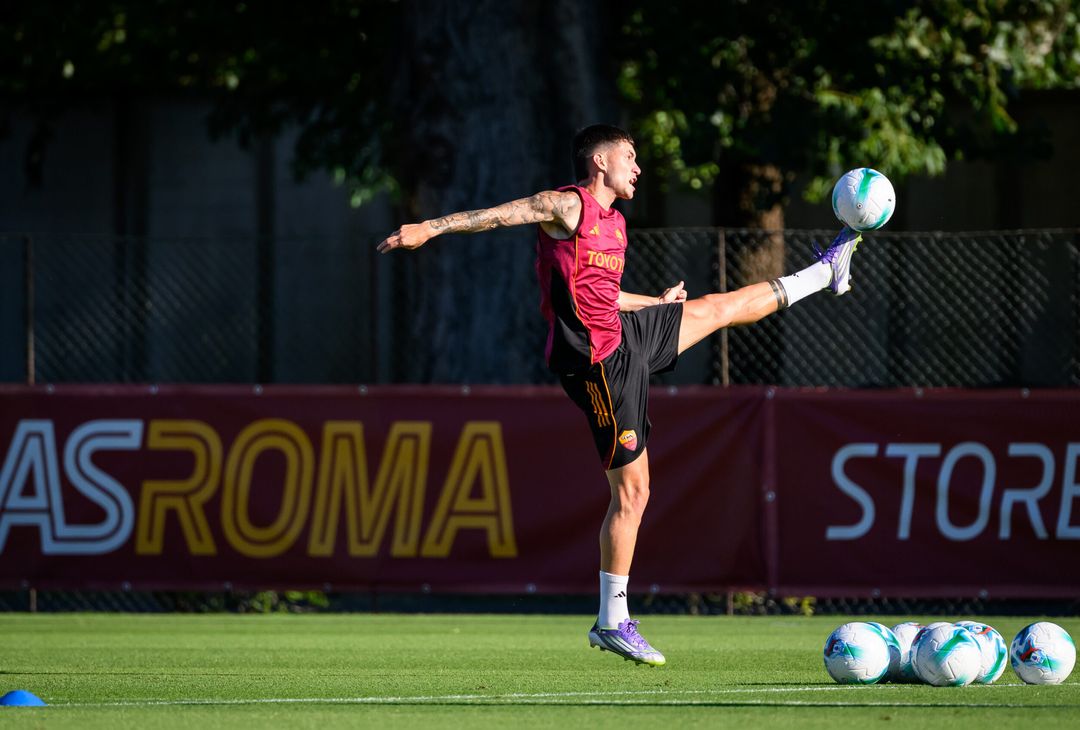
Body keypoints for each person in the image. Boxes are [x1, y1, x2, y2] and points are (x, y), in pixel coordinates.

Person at [377, 124, 860, 667]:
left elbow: (602, 294)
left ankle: (824, 272)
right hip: (597, 366)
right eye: (629, 156)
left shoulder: (617, 224)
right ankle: (612, 621)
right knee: (633, 493)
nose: (637, 167)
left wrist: (652, 302)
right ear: (599, 162)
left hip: (625, 335)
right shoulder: (568, 206)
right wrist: (431, 228)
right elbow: (497, 214)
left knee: (718, 308)